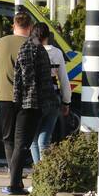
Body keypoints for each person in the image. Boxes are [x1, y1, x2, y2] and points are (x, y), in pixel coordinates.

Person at [0, 11, 33, 195]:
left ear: (14, 25)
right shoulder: (33, 44)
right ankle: (16, 180)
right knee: (22, 140)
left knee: (8, 139)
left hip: (3, 97)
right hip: (26, 99)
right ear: (29, 27)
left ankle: (14, 179)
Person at [29, 23, 71, 164]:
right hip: (52, 97)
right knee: (45, 139)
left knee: (33, 139)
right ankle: (46, 173)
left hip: (34, 98)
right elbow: (64, 79)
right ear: (48, 36)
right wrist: (66, 101)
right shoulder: (56, 53)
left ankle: (38, 175)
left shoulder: (29, 51)